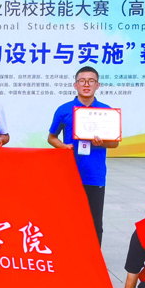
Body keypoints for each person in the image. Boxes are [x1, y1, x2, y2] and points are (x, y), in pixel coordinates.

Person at [48, 66, 119, 245]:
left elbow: (115, 143)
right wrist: (63, 146)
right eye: (82, 81)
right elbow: (51, 137)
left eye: (91, 81)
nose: (86, 84)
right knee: (68, 219)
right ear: (75, 85)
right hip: (69, 173)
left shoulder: (106, 111)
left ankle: (94, 258)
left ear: (97, 85)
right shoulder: (64, 110)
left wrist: (101, 142)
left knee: (95, 223)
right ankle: (69, 253)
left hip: (95, 175)